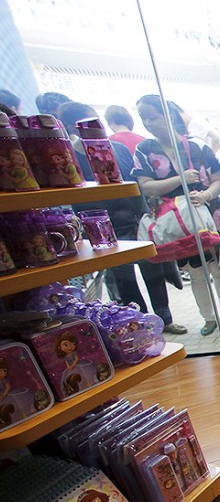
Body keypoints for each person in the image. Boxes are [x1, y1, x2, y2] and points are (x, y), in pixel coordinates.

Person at [54, 101, 184, 334]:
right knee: (124, 279)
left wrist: (145, 216)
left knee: (153, 270)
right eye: (89, 122)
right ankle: (140, 323)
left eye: (97, 121)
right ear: (74, 128)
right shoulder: (69, 157)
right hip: (100, 227)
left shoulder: (117, 148)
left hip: (134, 220)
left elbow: (135, 186)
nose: (98, 126)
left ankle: (164, 319)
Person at [133, 95, 220, 337]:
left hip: (209, 214)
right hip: (176, 220)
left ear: (169, 116)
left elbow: (219, 180)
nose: (148, 122)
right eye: (144, 118)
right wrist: (180, 179)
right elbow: (145, 186)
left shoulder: (197, 146)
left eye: (152, 116)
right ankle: (209, 318)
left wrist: (206, 195)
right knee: (196, 272)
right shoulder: (144, 150)